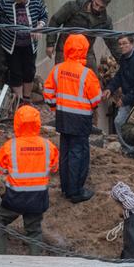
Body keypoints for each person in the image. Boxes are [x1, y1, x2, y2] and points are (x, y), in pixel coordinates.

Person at [0, 105, 59, 255]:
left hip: (15, 197)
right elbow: (54, 168)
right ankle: (34, 263)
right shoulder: (48, 146)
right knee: (34, 231)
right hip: (38, 198)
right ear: (37, 123)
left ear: (17, 123)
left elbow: (0, 168)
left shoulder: (10, 146)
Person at [43, 34, 102, 203]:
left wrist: (56, 107)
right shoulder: (86, 74)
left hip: (62, 117)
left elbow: (48, 93)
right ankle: (76, 192)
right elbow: (96, 99)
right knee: (79, 153)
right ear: (84, 50)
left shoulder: (58, 69)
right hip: (81, 118)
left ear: (67, 48)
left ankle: (66, 188)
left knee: (66, 152)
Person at [44, 0, 119, 69]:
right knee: (63, 76)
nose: (97, 8)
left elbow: (112, 42)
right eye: (96, 4)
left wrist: (123, 61)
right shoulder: (73, 7)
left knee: (93, 78)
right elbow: (55, 21)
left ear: (106, 6)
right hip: (65, 49)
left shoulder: (105, 21)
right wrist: (50, 44)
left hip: (86, 52)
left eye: (101, 7)